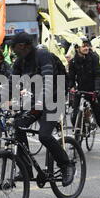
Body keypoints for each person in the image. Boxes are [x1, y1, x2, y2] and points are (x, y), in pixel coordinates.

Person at [9, 31, 75, 186]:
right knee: (18, 126)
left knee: (44, 136)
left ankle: (66, 166)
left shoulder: (43, 56)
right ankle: (26, 168)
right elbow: (10, 85)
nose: (12, 51)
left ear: (22, 46)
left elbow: (48, 81)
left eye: (13, 47)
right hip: (35, 99)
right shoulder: (20, 62)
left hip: (54, 97)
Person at [68, 38, 100, 150]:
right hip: (80, 90)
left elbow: (97, 75)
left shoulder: (94, 58)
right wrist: (71, 87)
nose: (86, 48)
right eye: (83, 46)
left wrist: (97, 90)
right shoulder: (73, 62)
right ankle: (78, 139)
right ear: (77, 48)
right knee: (75, 115)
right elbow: (71, 77)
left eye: (87, 45)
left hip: (93, 90)